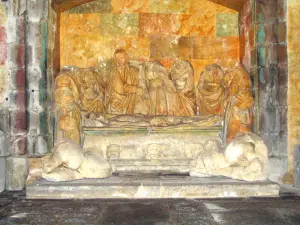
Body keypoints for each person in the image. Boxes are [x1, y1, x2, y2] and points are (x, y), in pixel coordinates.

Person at [223, 62, 254, 143]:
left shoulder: (240, 74)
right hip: (234, 106)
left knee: (238, 127)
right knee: (232, 127)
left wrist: (236, 101)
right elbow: (225, 83)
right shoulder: (235, 72)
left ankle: (239, 142)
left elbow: (247, 96)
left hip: (239, 107)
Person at [107, 49, 144, 115]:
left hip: (133, 97)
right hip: (119, 99)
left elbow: (141, 84)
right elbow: (120, 89)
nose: (124, 59)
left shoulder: (134, 70)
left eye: (124, 57)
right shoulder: (114, 72)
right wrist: (135, 89)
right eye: (120, 58)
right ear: (116, 61)